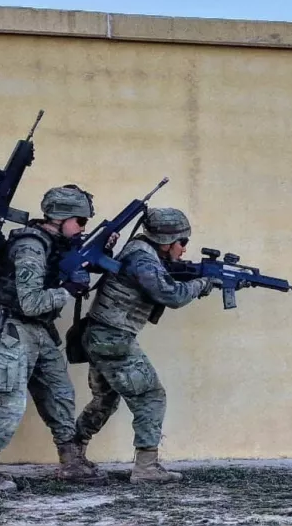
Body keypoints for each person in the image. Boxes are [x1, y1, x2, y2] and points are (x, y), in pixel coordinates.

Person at [0, 184, 112, 491]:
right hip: (12, 325)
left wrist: (100, 250)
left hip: (38, 328)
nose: (83, 227)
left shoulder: (57, 242)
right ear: (61, 217)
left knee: (60, 393)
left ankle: (71, 461)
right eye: (81, 221)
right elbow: (30, 301)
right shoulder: (31, 245)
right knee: (11, 399)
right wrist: (68, 291)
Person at [73, 207, 217, 483]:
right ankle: (146, 468)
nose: (185, 248)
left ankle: (73, 454)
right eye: (182, 242)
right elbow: (171, 296)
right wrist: (202, 284)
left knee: (105, 399)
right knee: (151, 396)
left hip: (102, 335)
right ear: (166, 242)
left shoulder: (141, 249)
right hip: (113, 339)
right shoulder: (144, 260)